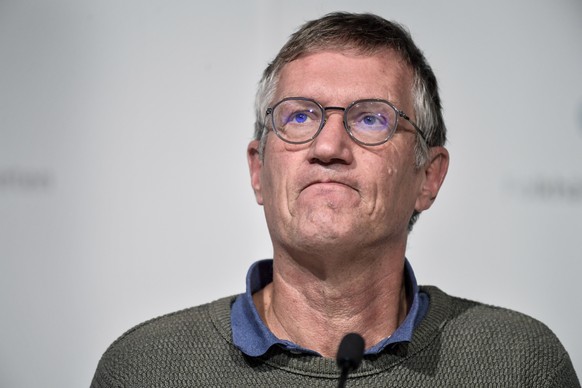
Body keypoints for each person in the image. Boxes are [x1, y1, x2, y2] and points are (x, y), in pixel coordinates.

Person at [91, 12, 579, 387]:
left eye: (371, 119)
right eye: (300, 117)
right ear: (259, 171)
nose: (327, 147)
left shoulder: (520, 365)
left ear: (428, 178)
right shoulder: (145, 369)